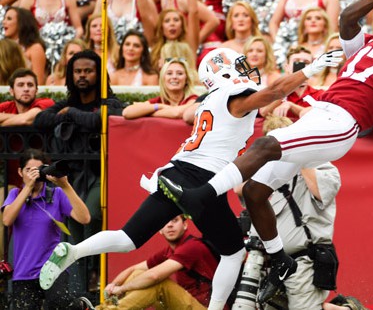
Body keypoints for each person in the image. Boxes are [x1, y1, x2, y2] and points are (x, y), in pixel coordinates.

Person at [157, 0, 373, 304]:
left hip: (341, 123)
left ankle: (201, 195)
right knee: (257, 192)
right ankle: (281, 260)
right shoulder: (367, 45)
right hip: (321, 114)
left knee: (265, 144)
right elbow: (347, 17)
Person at [38, 47, 343, 310]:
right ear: (223, 73)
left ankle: (74, 251)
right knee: (234, 253)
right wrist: (311, 70)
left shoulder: (211, 100)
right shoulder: (234, 95)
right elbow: (272, 93)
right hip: (204, 180)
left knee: (127, 239)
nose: (246, 69)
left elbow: (267, 103)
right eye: (237, 66)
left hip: (175, 171)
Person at [33, 50, 124, 294]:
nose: (82, 75)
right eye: (78, 71)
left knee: (92, 216)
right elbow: (40, 121)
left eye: (88, 71)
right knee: (73, 228)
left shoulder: (108, 102)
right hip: (70, 178)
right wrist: (70, 111)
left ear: (98, 74)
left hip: (99, 176)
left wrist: (72, 115)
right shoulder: (66, 102)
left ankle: (95, 271)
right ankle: (82, 282)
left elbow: (103, 121)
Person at [239, 115, 341, 309]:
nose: (275, 150)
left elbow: (321, 190)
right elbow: (239, 188)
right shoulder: (269, 174)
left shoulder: (318, 164)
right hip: (270, 263)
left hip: (303, 261)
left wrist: (298, 155)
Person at [2, 149, 91, 309]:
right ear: (20, 172)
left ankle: (79, 306)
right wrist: (27, 188)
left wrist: (66, 186)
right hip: (24, 272)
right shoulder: (15, 194)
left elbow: (85, 218)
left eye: (39, 169)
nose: (34, 174)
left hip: (53, 267)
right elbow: (7, 220)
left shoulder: (56, 195)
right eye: (29, 170)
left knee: (56, 303)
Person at [97, 215, 219, 309]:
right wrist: (114, 285)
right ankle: (104, 306)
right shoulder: (169, 250)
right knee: (138, 273)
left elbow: (154, 276)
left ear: (185, 225)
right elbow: (133, 269)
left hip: (207, 308)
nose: (170, 225)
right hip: (186, 304)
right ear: (160, 230)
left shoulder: (192, 246)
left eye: (175, 220)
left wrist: (122, 289)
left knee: (160, 284)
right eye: (165, 222)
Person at [122, 57, 198, 120]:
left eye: (179, 73)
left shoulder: (193, 99)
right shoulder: (159, 101)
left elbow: (177, 113)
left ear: (186, 79)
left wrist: (148, 113)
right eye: (169, 73)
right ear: (163, 79)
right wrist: (160, 106)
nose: (174, 77)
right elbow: (127, 113)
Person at [2, 6, 47, 83]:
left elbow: (39, 83)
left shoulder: (35, 48)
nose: (4, 22)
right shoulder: (3, 47)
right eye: (4, 18)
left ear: (21, 23)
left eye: (9, 19)